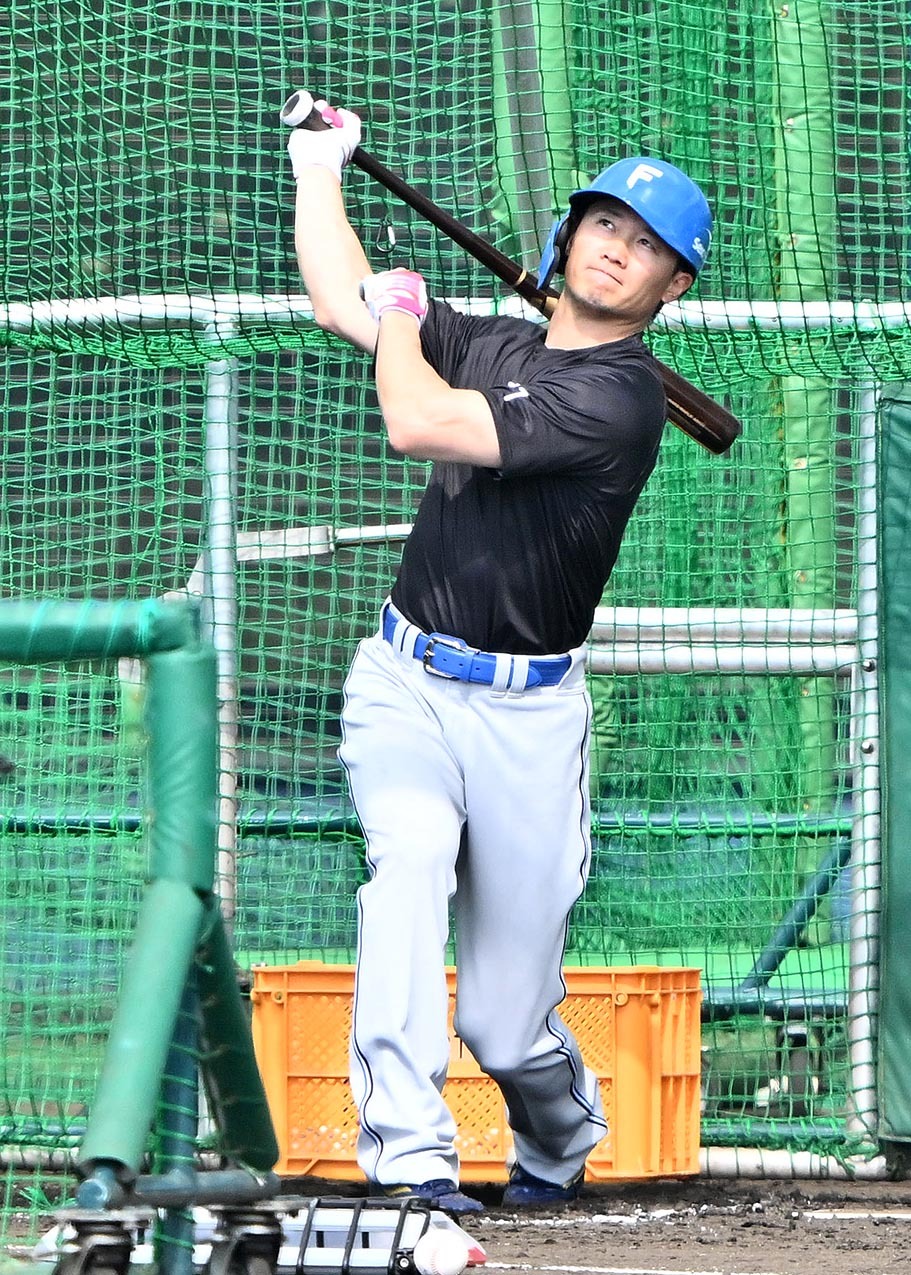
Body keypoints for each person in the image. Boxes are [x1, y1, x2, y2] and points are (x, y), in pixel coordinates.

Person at [286, 101, 713, 1214]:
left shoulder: (618, 399)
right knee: (408, 864)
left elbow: (418, 423)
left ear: (671, 286)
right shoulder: (495, 343)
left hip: (529, 718)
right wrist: (318, 168)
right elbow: (339, 296)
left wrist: (398, 317)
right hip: (406, 682)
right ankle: (413, 1159)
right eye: (605, 223)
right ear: (567, 236)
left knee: (504, 1023)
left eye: (648, 245)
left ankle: (560, 1133)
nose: (617, 248)